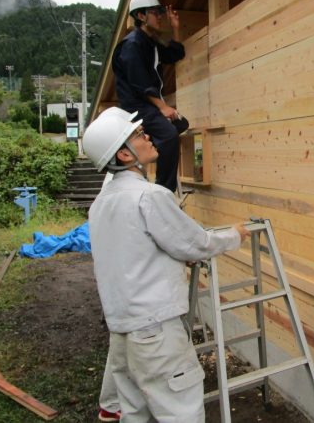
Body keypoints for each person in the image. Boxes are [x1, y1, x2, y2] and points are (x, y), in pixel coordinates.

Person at [82, 108, 250, 422]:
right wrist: (235, 236)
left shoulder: (100, 205)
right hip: (156, 332)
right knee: (181, 411)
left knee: (135, 411)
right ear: (123, 153)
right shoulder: (149, 197)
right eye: (137, 135)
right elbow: (196, 243)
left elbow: (136, 250)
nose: (147, 136)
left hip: (124, 330)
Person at [112, 0, 188, 193]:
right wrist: (162, 107)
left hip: (148, 106)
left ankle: (143, 147)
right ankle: (164, 190)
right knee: (170, 135)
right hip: (137, 107)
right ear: (141, 16)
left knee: (181, 124)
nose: (160, 16)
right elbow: (140, 82)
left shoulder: (150, 43)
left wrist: (175, 28)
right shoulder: (132, 44)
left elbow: (176, 53)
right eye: (155, 13)